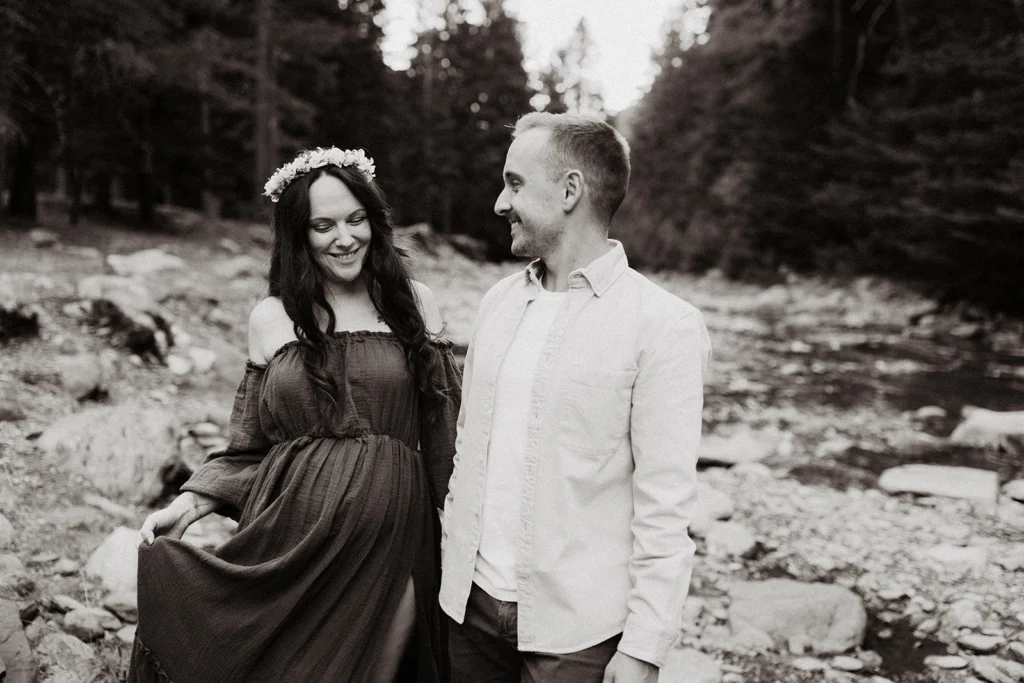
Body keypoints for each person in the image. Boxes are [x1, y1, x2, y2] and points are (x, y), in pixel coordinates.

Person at [129, 147, 461, 683]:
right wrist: (188, 508)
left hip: (392, 531)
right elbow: (248, 444)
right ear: (299, 234)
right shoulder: (272, 317)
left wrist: (466, 529)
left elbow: (446, 433)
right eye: (323, 226)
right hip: (288, 533)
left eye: (356, 220)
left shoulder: (413, 303)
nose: (344, 238)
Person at [440, 113, 711, 683]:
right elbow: (469, 452)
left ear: (570, 191)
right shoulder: (497, 304)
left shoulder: (665, 326)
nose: (498, 203)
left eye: (514, 183)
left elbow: (665, 504)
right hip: (468, 610)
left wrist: (644, 647)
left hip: (579, 634)